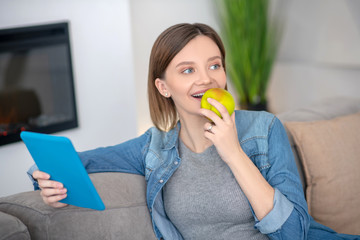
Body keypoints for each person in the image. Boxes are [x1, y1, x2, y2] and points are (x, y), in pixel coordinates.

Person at [28, 23, 359, 240]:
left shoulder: (264, 128)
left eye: (214, 65)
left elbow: (293, 233)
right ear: (164, 87)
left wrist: (233, 153)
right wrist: (43, 178)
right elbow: (75, 161)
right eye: (187, 70)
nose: (207, 79)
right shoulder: (152, 147)